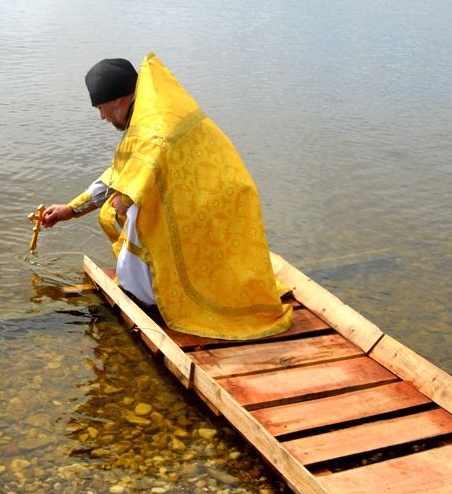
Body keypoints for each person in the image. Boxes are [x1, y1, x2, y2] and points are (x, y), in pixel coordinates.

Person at [43, 53, 292, 340]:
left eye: (102, 108)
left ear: (120, 100)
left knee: (123, 212)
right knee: (126, 205)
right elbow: (120, 173)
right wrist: (71, 209)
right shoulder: (151, 109)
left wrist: (122, 202)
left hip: (208, 199)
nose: (101, 117)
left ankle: (150, 297)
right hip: (220, 192)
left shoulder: (150, 129)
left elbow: (127, 188)